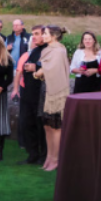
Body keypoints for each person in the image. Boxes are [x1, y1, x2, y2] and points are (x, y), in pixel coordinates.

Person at [35, 26, 70, 172]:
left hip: (56, 91)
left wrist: (39, 72)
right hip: (45, 89)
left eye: (45, 33)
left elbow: (52, 69)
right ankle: (49, 157)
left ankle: (56, 159)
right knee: (47, 126)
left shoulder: (59, 50)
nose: (43, 36)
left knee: (56, 127)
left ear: (54, 36)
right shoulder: (47, 50)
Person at [12, 25, 46, 165]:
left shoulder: (49, 51)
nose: (34, 37)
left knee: (41, 126)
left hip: (40, 94)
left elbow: (53, 68)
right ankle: (32, 155)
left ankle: (43, 156)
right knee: (27, 124)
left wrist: (36, 68)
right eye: (33, 34)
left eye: (37, 34)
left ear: (46, 35)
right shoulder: (35, 51)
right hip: (28, 93)